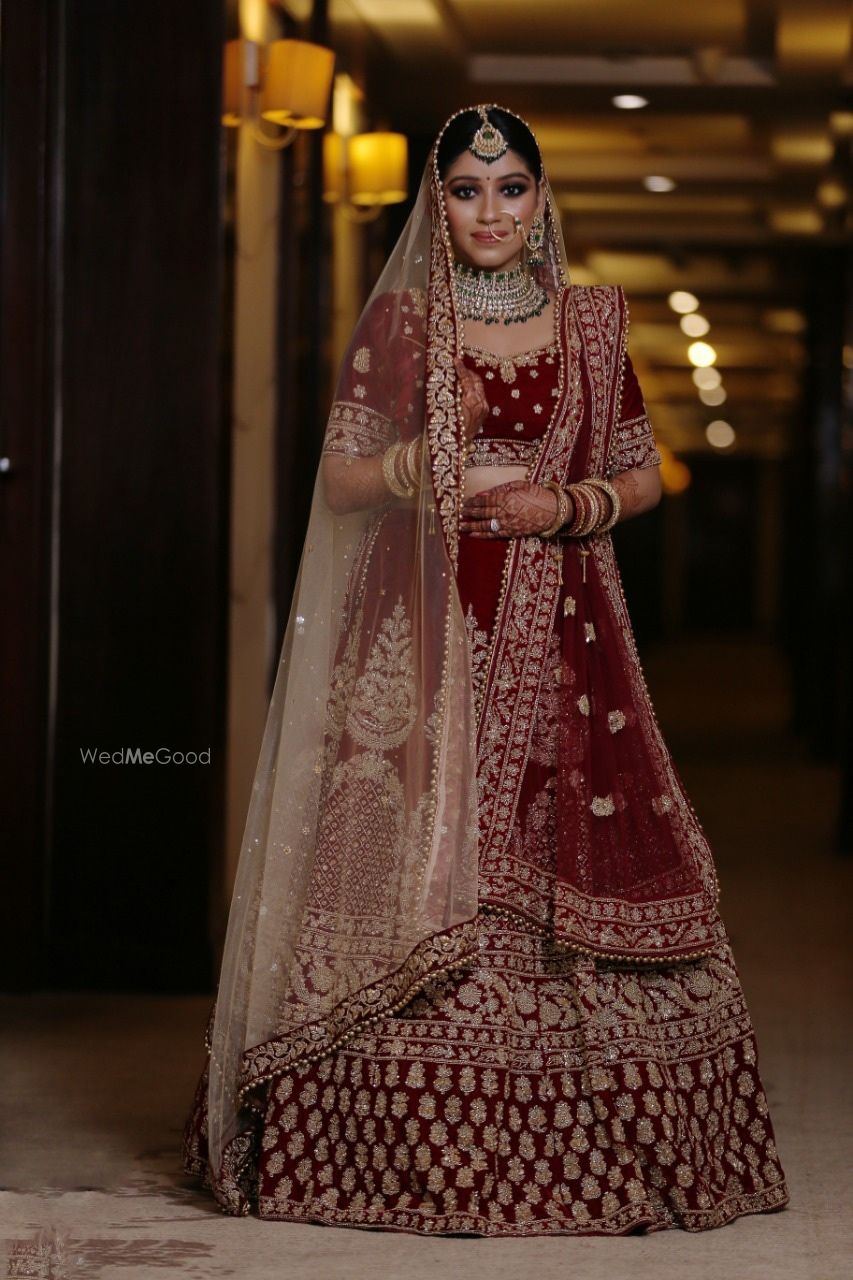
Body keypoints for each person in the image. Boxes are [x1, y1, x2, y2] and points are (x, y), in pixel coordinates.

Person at [182, 104, 789, 1236]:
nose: (490, 212)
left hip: (567, 629)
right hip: (425, 630)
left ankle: (590, 1132)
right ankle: (380, 1140)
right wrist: (429, 462)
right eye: (466, 190)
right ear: (437, 203)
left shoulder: (596, 323)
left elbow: (641, 474)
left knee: (564, 845)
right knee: (414, 841)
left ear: (543, 198)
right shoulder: (405, 324)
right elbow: (342, 482)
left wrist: (568, 502)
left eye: (511, 189)